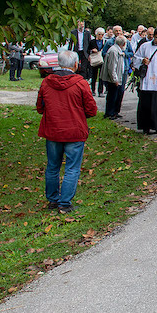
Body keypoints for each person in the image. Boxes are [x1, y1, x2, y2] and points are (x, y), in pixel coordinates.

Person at [36, 50, 97, 214]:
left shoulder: (47, 82)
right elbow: (91, 109)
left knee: (53, 166)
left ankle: (53, 200)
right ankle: (64, 203)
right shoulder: (80, 83)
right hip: (74, 131)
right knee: (71, 168)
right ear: (76, 65)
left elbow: (40, 107)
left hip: (53, 130)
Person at [101, 36, 128, 119]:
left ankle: (114, 112)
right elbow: (112, 67)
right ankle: (110, 113)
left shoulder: (117, 50)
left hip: (117, 76)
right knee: (112, 96)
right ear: (123, 44)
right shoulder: (114, 51)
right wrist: (114, 79)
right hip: (113, 79)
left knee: (116, 95)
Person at [88, 27, 106, 96]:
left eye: (102, 34)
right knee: (94, 76)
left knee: (101, 76)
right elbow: (88, 50)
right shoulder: (92, 42)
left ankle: (100, 91)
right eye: (99, 34)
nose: (101, 36)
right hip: (95, 60)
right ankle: (93, 90)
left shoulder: (104, 42)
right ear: (96, 34)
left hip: (102, 60)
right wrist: (92, 50)